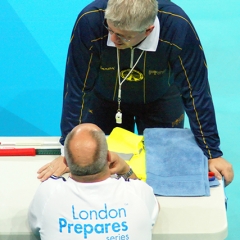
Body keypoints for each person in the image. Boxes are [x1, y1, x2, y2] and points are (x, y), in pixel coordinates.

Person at [37, 0, 233, 185]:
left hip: (161, 98)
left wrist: (212, 153)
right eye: (110, 30)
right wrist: (68, 153)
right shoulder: (91, 20)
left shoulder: (178, 27)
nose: (113, 39)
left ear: (149, 29)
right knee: (96, 170)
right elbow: (77, 88)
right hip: (104, 98)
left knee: (163, 173)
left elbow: (196, 92)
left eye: (123, 35)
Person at [29, 123, 159, 240]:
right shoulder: (139, 193)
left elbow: (36, 228)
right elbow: (154, 206)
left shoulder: (47, 194)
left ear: (65, 162)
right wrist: (126, 169)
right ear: (109, 157)